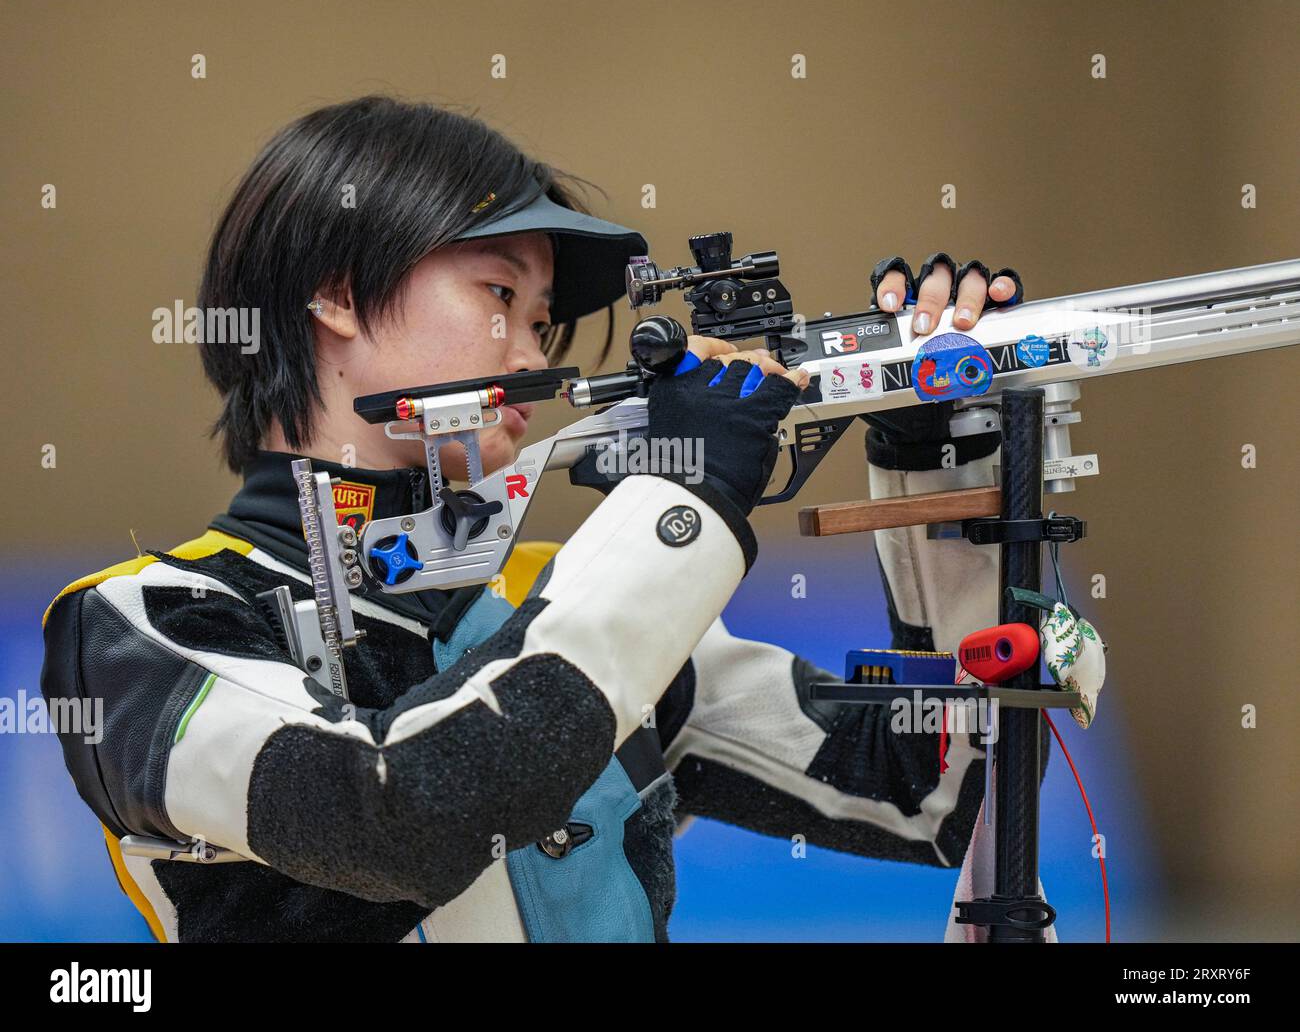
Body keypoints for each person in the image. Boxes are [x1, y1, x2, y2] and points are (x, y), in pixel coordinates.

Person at [40, 96, 1025, 942]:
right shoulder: (136, 626)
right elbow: (399, 813)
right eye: (499, 294)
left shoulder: (555, 599)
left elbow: (928, 790)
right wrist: (680, 506)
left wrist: (939, 447)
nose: (530, 350)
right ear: (336, 293)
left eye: (543, 319)